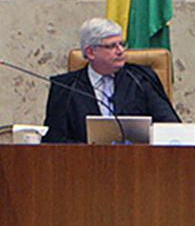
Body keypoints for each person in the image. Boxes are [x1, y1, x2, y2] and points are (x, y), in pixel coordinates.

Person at [42, 17, 181, 142]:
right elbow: (54, 140)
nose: (120, 51)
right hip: (84, 165)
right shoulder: (65, 87)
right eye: (111, 46)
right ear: (90, 52)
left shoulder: (142, 79)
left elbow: (171, 127)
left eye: (121, 44)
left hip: (138, 163)